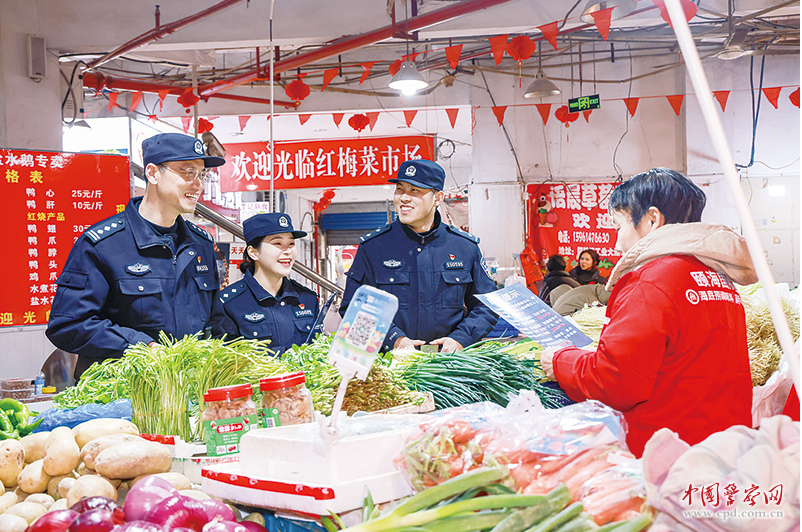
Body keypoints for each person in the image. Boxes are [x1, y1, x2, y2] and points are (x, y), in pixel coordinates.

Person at [541, 168, 757, 457]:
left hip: (667, 454)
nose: (618, 244)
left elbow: (614, 382)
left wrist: (559, 360)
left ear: (652, 220)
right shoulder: (716, 277)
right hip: (721, 446)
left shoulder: (652, 280)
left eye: (619, 227)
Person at [47, 132, 229, 379]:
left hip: (188, 391)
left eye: (202, 174)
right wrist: (139, 346)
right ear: (153, 173)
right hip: (122, 397)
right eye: (187, 172)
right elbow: (68, 325)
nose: (198, 184)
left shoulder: (202, 245)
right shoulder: (103, 245)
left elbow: (216, 324)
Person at [340, 159, 498, 353]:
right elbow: (353, 308)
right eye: (400, 189)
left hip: (451, 367)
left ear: (438, 198)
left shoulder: (464, 247)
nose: (404, 198)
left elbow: (488, 305)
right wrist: (394, 340)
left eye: (415, 190)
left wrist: (460, 339)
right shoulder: (373, 247)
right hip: (391, 368)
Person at [219, 213, 319, 353]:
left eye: (291, 244)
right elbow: (228, 363)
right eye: (277, 243)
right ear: (253, 253)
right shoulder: (229, 304)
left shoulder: (308, 299)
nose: (288, 251)